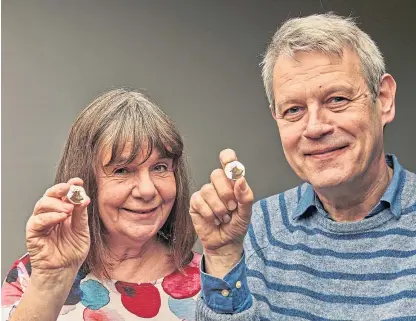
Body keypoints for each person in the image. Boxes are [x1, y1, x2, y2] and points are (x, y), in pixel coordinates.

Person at [190, 13, 416, 320]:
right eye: (294, 109)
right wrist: (225, 258)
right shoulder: (254, 230)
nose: (315, 127)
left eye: (337, 99)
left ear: (384, 99)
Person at [2, 88, 201, 321]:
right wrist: (49, 285)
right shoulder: (34, 274)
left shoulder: (211, 284)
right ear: (86, 181)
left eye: (160, 167)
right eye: (122, 170)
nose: (147, 190)